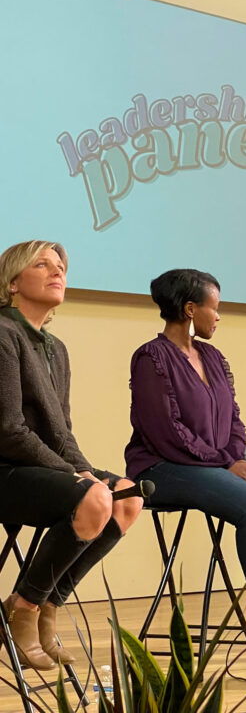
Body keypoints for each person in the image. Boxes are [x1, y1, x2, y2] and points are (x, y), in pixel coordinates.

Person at [125, 269, 246, 651]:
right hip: (163, 466)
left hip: (216, 465)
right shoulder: (151, 357)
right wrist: (225, 462)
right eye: (214, 308)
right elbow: (167, 431)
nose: (219, 316)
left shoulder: (212, 357)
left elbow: (233, 419)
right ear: (189, 309)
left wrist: (236, 457)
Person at [0, 241, 143, 670]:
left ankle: (46, 605)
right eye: (41, 264)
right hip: (6, 468)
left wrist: (81, 468)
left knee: (127, 497)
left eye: (60, 265)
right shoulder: (3, 334)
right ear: (12, 282)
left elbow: (62, 432)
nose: (56, 270)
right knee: (94, 496)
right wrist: (75, 476)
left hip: (41, 469)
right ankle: (21, 608)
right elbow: (8, 430)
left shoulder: (55, 348)